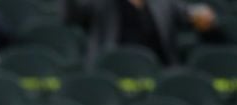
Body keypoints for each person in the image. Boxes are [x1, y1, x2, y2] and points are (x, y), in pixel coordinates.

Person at [62, 0, 217, 67]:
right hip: (112, 69)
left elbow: (190, 14)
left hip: (158, 69)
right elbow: (72, 17)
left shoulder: (164, 3)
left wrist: (203, 14)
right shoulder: (101, 2)